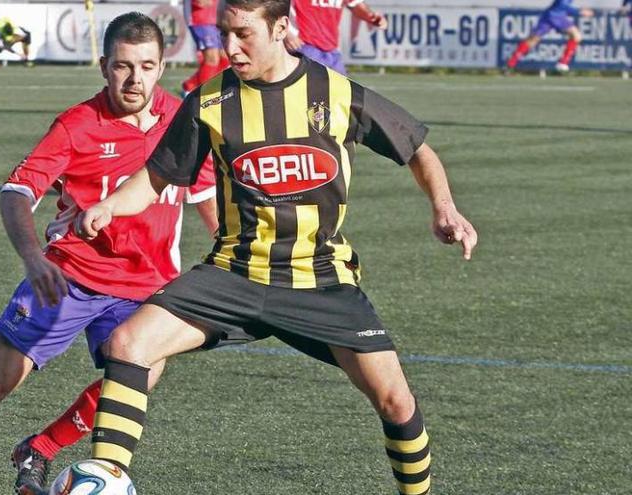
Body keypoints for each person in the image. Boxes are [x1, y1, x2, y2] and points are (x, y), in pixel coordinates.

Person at [74, 0, 478, 493]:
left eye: (243, 34)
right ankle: (108, 482)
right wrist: (111, 206)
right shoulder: (209, 102)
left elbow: (417, 149)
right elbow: (157, 178)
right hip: (233, 276)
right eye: (224, 33)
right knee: (128, 344)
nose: (228, 47)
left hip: (320, 279)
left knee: (396, 401)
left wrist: (445, 207)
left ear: (282, 28)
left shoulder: (335, 92)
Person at [0, 12, 218, 495]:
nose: (135, 79)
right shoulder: (76, 125)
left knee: (143, 370)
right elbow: (15, 193)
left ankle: (41, 449)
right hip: (68, 275)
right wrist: (32, 258)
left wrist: (228, 246)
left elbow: (204, 192)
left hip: (144, 284)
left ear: (162, 65)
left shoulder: (183, 121)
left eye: (147, 66)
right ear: (104, 65)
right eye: (123, 66)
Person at [284, 0, 387, 74]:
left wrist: (372, 17)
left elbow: (356, 5)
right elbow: (273, 6)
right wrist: (287, 33)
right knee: (310, 94)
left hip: (331, 50)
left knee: (342, 93)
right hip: (304, 46)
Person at [506, 0, 594, 73]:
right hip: (553, 16)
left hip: (557, 16)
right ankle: (510, 64)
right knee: (533, 39)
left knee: (576, 35)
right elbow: (562, 3)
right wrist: (579, 12)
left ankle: (563, 63)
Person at [181, 0, 230, 94]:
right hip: (200, 19)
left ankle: (190, 85)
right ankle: (205, 94)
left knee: (226, 56)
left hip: (216, 18)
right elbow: (202, 2)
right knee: (212, 59)